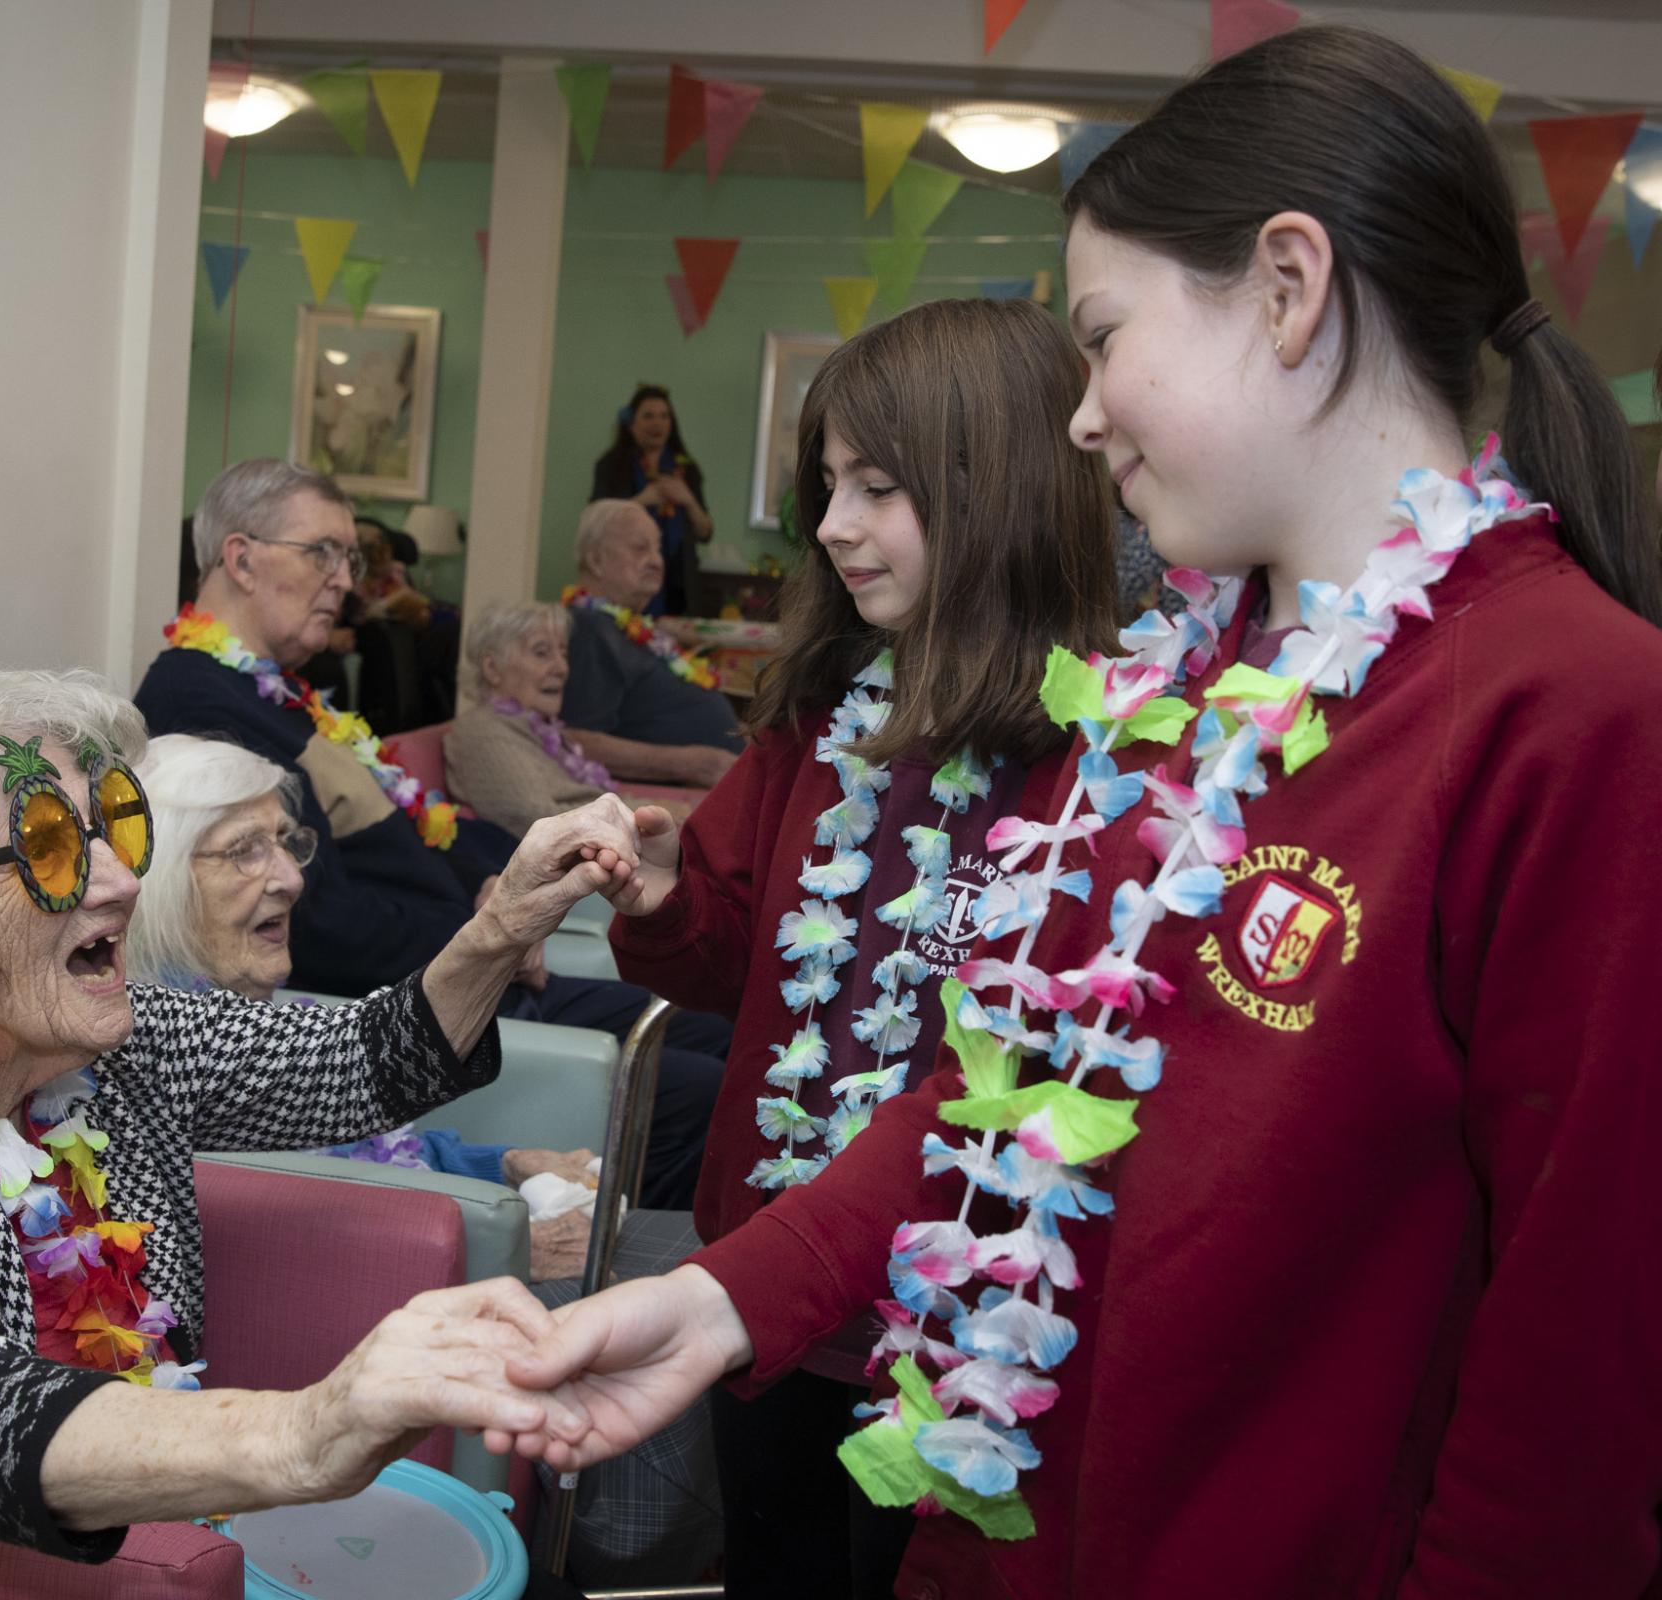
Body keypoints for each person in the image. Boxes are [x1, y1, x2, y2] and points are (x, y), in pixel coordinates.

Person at [489, 26, 1662, 1600]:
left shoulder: (1573, 709)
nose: (1087, 416)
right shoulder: (1173, 697)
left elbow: (1575, 1357)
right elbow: (1010, 1093)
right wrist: (717, 1306)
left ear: (1288, 289)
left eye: (1104, 339)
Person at [0, 667, 628, 1560]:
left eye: (114, 827)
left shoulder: (101, 1039)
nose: (123, 877)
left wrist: (503, 926)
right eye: (49, 846)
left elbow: (361, 1059)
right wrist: (306, 1432)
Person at [596, 299, 1117, 1598]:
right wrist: (661, 895)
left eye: (875, 489)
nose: (831, 528)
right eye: (828, 485)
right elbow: (730, 964)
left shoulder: (1095, 759)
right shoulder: (817, 723)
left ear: (995, 492)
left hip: (964, 1330)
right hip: (768, 1288)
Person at [138, 459, 734, 1212]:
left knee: (712, 1020)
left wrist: (499, 884)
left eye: (350, 558)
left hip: (466, 970)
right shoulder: (199, 699)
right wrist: (486, 937)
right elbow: (319, 921)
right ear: (240, 558)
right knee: (708, 1088)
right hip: (404, 1005)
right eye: (323, 552)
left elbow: (417, 836)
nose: (346, 580)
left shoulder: (279, 693)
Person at [122, 730, 605, 1281]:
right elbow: (307, 1208)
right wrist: (504, 1248)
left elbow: (360, 1146)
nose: (290, 878)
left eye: (285, 842)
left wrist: (503, 1164)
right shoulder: (166, 1050)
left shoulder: (247, 1013)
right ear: (163, 882)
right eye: (244, 851)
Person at [446, 602, 689, 842]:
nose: (562, 668)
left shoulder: (536, 728)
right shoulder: (483, 732)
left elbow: (586, 799)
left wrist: (651, 808)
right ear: (492, 669)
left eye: (563, 653)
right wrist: (643, 814)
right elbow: (536, 820)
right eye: (542, 653)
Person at [560, 500, 744, 786]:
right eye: (640, 548)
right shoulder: (588, 626)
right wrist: (695, 764)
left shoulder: (628, 626)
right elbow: (577, 741)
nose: (657, 561)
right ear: (595, 560)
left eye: (658, 548)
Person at [592, 384, 713, 615]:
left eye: (664, 416)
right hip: (624, 578)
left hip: (678, 585)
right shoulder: (610, 465)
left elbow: (705, 532)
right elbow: (596, 523)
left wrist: (688, 500)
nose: (657, 423)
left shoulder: (687, 469)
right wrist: (641, 501)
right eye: (648, 416)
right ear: (631, 424)